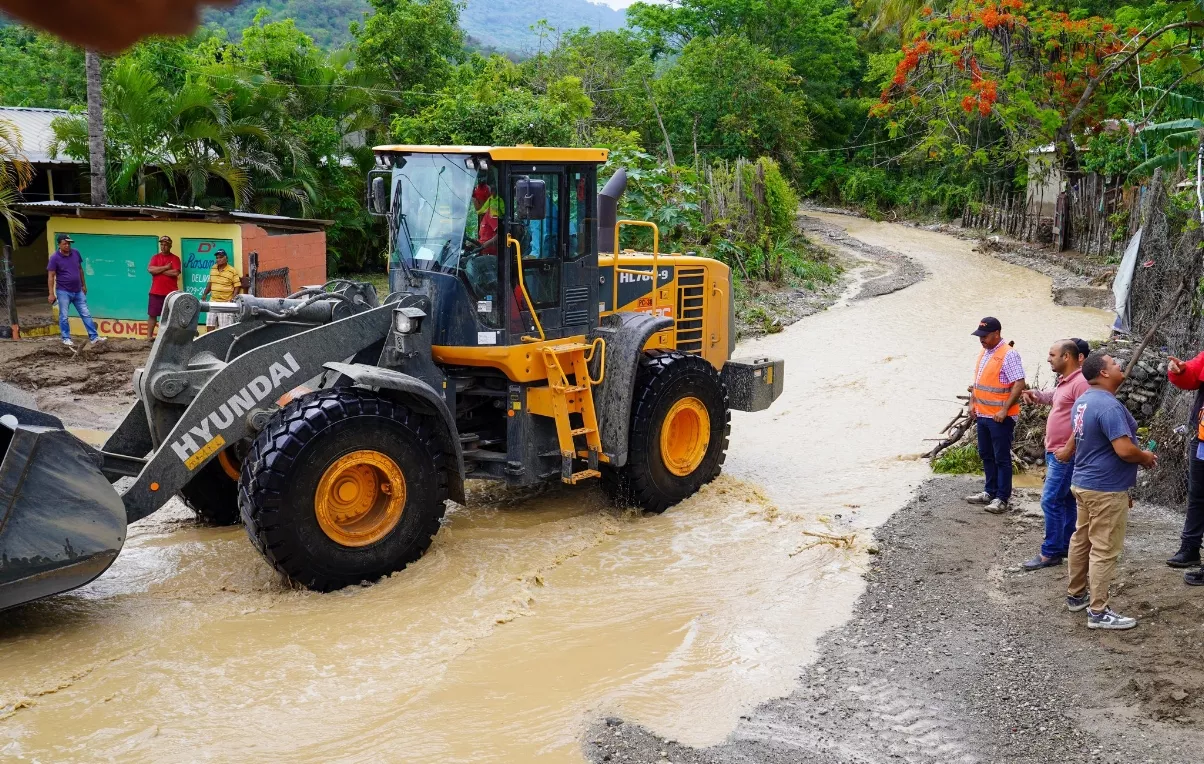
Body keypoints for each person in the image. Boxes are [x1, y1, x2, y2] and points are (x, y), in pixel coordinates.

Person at [1062, 353, 1157, 630]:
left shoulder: (1082, 401)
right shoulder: (1108, 406)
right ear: (1104, 373)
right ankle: (1098, 612)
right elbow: (1125, 450)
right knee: (1104, 547)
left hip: (1083, 484)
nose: (1119, 366)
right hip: (1104, 488)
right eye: (1114, 363)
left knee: (1082, 540)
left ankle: (1076, 595)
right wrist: (1145, 457)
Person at [1019, 340, 1091, 570]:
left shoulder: (1080, 383)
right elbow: (1055, 397)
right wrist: (1037, 395)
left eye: (1052, 355)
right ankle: (1067, 547)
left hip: (1065, 453)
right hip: (1058, 451)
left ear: (1067, 357)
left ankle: (1050, 553)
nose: (1048, 358)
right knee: (1066, 500)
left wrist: (1069, 448)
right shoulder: (1066, 381)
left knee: (1050, 500)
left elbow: (1084, 419)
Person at [964, 317, 1026, 514]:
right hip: (983, 415)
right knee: (986, 454)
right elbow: (978, 382)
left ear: (996, 334)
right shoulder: (985, 352)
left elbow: (1019, 383)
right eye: (979, 336)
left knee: (1001, 458)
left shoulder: (1008, 355)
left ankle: (1002, 498)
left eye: (984, 336)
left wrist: (1004, 409)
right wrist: (973, 403)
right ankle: (989, 492)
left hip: (1000, 418)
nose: (981, 339)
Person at [1166, 350, 1204, 585]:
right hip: (1202, 438)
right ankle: (1189, 548)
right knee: (1197, 496)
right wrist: (1179, 371)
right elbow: (1191, 373)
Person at [46, 234, 103, 347]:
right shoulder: (54, 258)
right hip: (63, 291)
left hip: (78, 290)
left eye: (69, 243)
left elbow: (80, 269)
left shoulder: (75, 253)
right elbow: (51, 276)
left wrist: (84, 285)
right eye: (65, 244)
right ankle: (66, 338)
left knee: (86, 313)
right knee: (64, 315)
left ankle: (94, 337)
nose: (67, 246)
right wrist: (51, 293)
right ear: (59, 245)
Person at [146, 235, 181, 340]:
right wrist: (166, 268)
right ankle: (149, 337)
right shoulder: (155, 257)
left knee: (170, 316)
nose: (163, 246)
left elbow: (175, 272)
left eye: (166, 245)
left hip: (170, 293)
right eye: (162, 244)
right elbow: (151, 270)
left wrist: (159, 271)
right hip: (156, 292)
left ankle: (167, 338)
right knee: (152, 315)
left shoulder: (175, 258)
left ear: (170, 246)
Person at [200, 249, 241, 330]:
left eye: (221, 257)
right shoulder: (213, 268)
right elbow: (210, 282)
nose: (218, 259)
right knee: (209, 325)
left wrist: (233, 298)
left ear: (226, 258)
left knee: (224, 329)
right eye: (217, 258)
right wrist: (205, 294)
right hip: (213, 301)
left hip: (225, 303)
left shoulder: (232, 270)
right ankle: (210, 342)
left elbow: (237, 285)